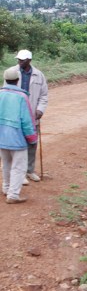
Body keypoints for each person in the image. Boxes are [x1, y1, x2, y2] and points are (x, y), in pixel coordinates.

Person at [0, 68, 38, 204]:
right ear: (17, 80)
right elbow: (27, 121)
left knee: (6, 164)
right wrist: (32, 138)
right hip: (17, 138)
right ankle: (13, 195)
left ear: (5, 80)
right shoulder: (22, 97)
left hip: (2, 137)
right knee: (19, 167)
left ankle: (6, 188)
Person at [11, 49, 48, 184]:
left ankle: (30, 170)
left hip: (32, 115)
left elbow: (44, 95)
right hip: (16, 114)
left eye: (22, 60)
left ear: (29, 60)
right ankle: (19, 173)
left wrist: (40, 109)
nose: (19, 62)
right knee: (18, 144)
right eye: (19, 59)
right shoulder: (12, 72)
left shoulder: (39, 75)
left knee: (32, 143)